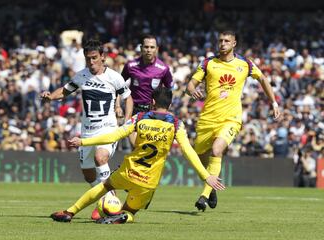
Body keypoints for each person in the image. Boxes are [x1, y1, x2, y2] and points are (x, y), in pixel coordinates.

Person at [50, 87, 225, 224]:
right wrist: (206, 176)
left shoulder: (139, 117)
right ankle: (124, 217)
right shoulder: (176, 125)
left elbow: (113, 135)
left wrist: (83, 142)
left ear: (153, 101)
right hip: (148, 181)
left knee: (104, 186)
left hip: (128, 172)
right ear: (170, 104)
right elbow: (188, 152)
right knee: (130, 211)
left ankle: (69, 212)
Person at [186, 30, 280, 212]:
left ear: (234, 43)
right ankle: (211, 186)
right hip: (207, 119)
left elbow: (263, 79)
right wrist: (192, 91)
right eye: (220, 40)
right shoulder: (208, 63)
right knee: (200, 159)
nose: (222, 44)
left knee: (216, 150)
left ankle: (204, 195)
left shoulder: (245, 64)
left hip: (231, 118)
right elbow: (190, 84)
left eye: (226, 41)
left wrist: (274, 102)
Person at [40, 39, 133, 198]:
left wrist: (128, 120)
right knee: (88, 175)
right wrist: (51, 97)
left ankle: (112, 202)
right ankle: (104, 199)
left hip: (108, 128)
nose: (91, 62)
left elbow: (128, 98)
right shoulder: (81, 76)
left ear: (102, 57)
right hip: (88, 131)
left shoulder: (114, 77)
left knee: (100, 157)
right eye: (88, 58)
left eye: (94, 57)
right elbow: (65, 91)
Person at [116, 35, 173, 116]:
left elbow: (169, 90)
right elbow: (118, 85)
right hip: (133, 109)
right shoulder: (130, 65)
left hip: (153, 111)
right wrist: (117, 106)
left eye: (152, 47)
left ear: (157, 49)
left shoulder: (164, 68)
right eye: (146, 47)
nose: (149, 50)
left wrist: (165, 109)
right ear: (141, 48)